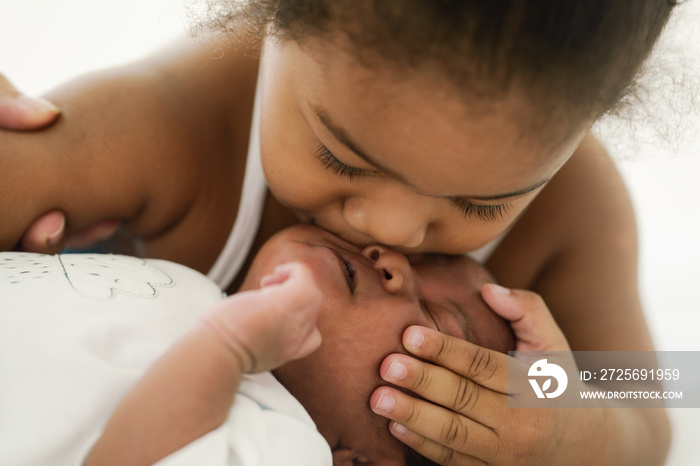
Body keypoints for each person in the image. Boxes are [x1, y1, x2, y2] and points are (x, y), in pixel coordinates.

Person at [0, 1, 678, 463]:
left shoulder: (573, 209)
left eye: (481, 202)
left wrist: (570, 425)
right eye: (341, 158)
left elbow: (656, 398)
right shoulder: (189, 126)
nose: (395, 230)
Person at [1, 224, 551, 466]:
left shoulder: (288, 447)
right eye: (423, 260)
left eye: (439, 321)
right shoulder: (194, 282)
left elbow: (641, 385)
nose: (397, 263)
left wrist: (229, 347)